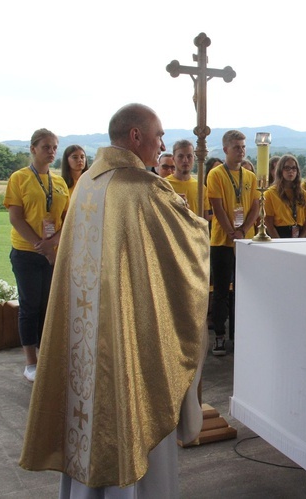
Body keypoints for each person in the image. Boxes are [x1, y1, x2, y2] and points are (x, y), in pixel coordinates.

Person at [19, 103, 208, 496]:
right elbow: (186, 245)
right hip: (127, 338)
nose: (162, 146)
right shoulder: (139, 188)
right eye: (158, 137)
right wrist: (194, 222)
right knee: (132, 405)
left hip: (86, 332)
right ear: (135, 136)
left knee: (85, 416)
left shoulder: (89, 180)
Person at [3, 128, 69, 382]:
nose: (51, 151)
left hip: (52, 252)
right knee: (29, 305)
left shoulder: (60, 182)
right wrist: (38, 243)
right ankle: (31, 361)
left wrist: (52, 243)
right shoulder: (19, 178)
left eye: (54, 147)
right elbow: (15, 216)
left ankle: (47, 356)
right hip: (26, 251)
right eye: (46, 147)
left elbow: (66, 219)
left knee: (47, 304)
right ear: (33, 149)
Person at [207, 130, 260, 355]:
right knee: (221, 290)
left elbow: (256, 205)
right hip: (222, 241)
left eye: (243, 147)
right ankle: (219, 334)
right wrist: (231, 232)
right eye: (236, 147)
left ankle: (238, 334)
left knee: (243, 290)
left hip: (245, 241)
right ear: (226, 149)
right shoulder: (216, 174)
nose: (241, 151)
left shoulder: (249, 176)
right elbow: (217, 206)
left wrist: (245, 230)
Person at [264, 154, 306, 238]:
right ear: (280, 170)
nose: (290, 171)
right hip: (279, 235)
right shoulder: (270, 194)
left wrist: (300, 241)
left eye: (293, 168)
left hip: (299, 236)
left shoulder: (303, 194)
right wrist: (278, 243)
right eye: (287, 168)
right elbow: (269, 224)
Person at [167, 139, 210, 219]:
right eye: (181, 156)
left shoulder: (201, 187)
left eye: (189, 156)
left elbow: (205, 217)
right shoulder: (165, 184)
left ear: (194, 158)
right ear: (173, 159)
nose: (185, 160)